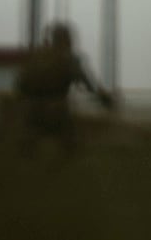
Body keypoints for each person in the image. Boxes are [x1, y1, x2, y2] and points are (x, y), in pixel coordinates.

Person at [14, 22, 114, 152]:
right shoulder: (69, 59)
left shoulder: (36, 56)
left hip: (31, 113)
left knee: (28, 150)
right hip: (56, 111)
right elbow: (88, 84)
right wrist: (105, 99)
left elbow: (20, 84)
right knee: (72, 147)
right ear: (66, 40)